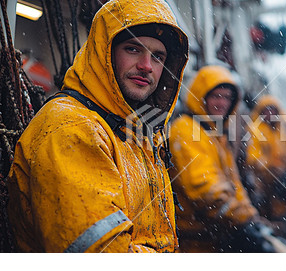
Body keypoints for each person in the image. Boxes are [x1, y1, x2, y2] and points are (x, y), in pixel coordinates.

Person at [7, 0, 189, 253]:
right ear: (105, 53)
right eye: (133, 49)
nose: (147, 66)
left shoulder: (136, 132)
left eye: (158, 57)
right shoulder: (70, 127)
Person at [169, 65, 279, 253]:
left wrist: (251, 217)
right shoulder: (185, 129)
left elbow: (233, 182)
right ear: (200, 96)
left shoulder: (216, 133)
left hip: (215, 234)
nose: (222, 103)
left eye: (227, 97)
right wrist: (242, 220)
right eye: (216, 96)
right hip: (193, 242)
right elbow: (205, 188)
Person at [246, 95, 286, 221]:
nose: (270, 113)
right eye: (266, 110)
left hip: (278, 177)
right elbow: (252, 157)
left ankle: (279, 219)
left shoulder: (278, 131)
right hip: (261, 179)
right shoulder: (254, 129)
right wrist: (269, 167)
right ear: (260, 112)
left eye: (273, 110)